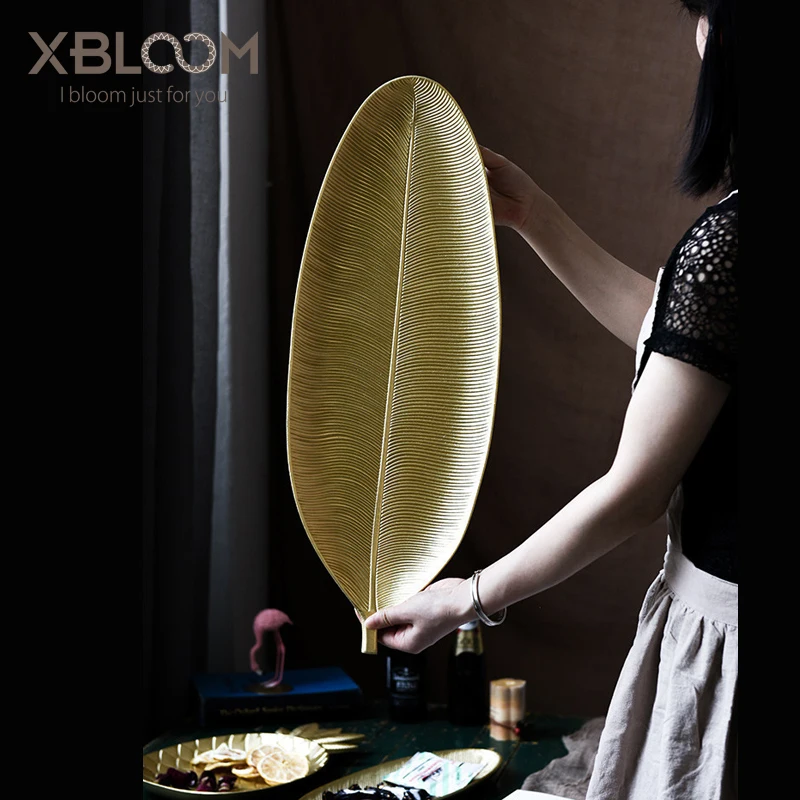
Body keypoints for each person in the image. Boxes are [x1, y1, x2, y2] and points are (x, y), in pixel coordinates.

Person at [364, 0, 737, 796]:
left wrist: (467, 600)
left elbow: (633, 493)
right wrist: (533, 215)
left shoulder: (731, 245)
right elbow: (691, 343)